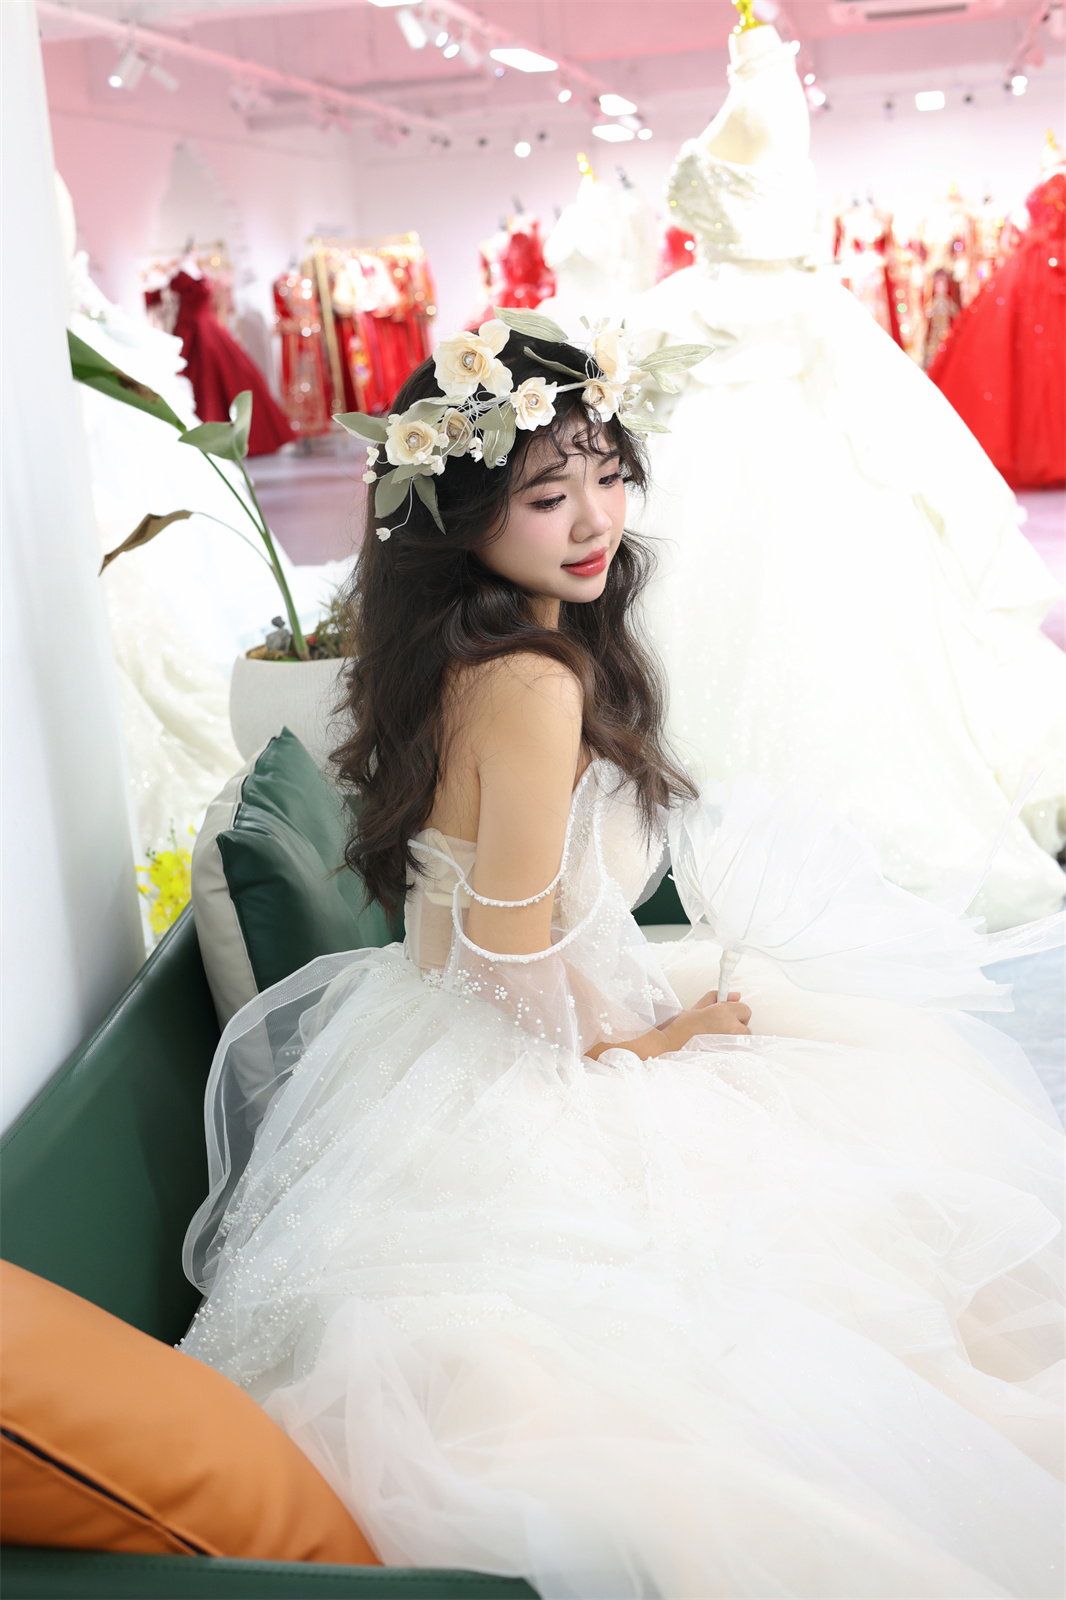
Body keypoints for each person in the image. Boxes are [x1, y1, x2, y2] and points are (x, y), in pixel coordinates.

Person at [181, 316, 1064, 1600]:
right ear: (461, 515)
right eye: (548, 494)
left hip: (447, 1030)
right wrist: (659, 1040)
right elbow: (505, 961)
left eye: (607, 473)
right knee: (809, 1255)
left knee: (842, 1154)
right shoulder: (532, 682)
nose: (594, 517)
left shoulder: (474, 656)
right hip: (513, 1045)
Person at [626, 16, 1065, 932]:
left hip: (770, 338)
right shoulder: (759, 87)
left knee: (806, 580)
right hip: (729, 335)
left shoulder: (767, 88)